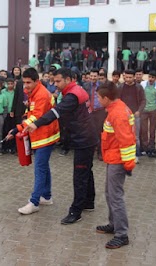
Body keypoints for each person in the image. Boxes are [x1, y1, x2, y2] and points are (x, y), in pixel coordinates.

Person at [23, 68, 97, 224]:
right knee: (86, 171)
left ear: (68, 79)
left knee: (79, 175)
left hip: (83, 139)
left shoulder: (72, 95)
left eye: (58, 81)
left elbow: (56, 112)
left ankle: (75, 211)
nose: (55, 85)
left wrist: (36, 124)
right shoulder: (75, 90)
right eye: (54, 81)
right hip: (86, 137)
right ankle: (89, 201)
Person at [7, 68, 60, 215]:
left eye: (29, 82)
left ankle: (34, 202)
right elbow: (30, 112)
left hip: (45, 135)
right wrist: (24, 119)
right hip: (41, 134)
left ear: (37, 81)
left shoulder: (42, 94)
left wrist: (17, 128)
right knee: (43, 166)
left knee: (39, 168)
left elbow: (35, 116)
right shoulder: (35, 92)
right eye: (24, 83)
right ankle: (47, 196)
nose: (26, 86)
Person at [95, 81, 135, 249]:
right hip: (113, 158)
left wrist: (128, 164)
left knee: (115, 197)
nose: (97, 100)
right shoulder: (115, 108)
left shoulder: (117, 113)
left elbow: (126, 140)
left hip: (118, 161)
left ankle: (122, 234)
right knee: (109, 194)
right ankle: (113, 224)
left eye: (98, 98)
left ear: (106, 98)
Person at [119, 70, 146, 163]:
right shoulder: (121, 87)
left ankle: (136, 155)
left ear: (134, 77)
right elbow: (117, 100)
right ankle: (124, 155)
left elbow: (143, 100)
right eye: (127, 77)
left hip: (135, 115)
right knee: (123, 135)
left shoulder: (139, 87)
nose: (128, 79)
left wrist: (139, 111)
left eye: (130, 77)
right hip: (123, 115)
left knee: (135, 136)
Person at [84, 68, 106, 160]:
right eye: (91, 76)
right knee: (89, 132)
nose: (93, 78)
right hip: (89, 112)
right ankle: (90, 151)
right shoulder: (86, 85)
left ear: (98, 76)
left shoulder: (102, 85)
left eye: (95, 76)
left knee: (100, 132)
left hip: (100, 111)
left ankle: (100, 152)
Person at [140, 71, 156, 157]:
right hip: (144, 110)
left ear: (155, 78)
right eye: (150, 77)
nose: (151, 79)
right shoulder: (143, 84)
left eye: (153, 77)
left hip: (154, 109)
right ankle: (145, 147)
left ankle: (151, 147)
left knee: (152, 130)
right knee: (144, 130)